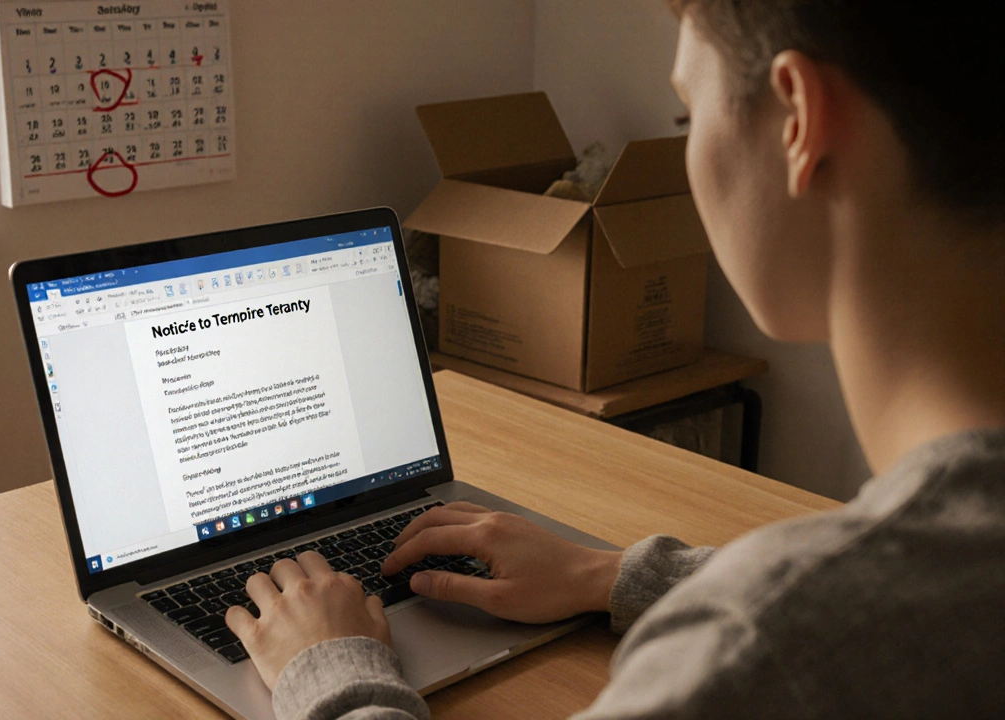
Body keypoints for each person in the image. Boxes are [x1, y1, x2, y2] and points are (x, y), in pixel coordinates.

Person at [223, 1, 1005, 717]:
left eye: (686, 113)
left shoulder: (755, 647)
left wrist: (329, 670)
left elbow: (797, 625)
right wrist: (615, 576)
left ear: (799, 119)